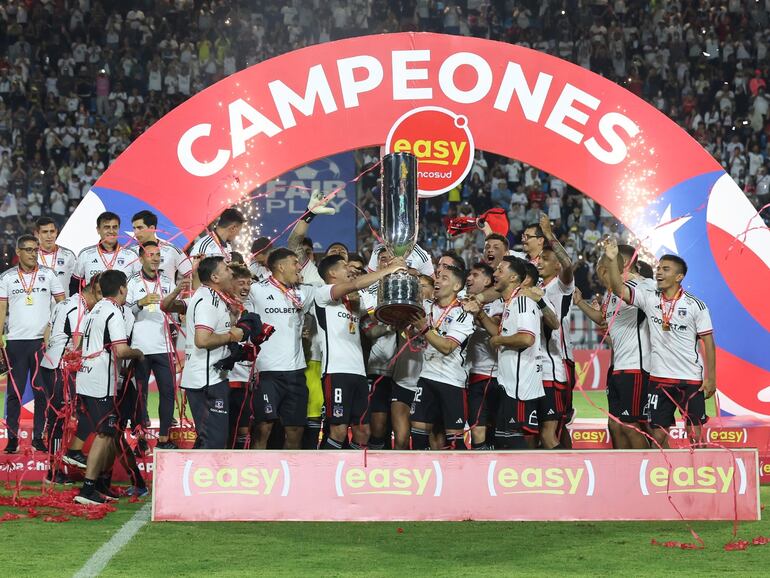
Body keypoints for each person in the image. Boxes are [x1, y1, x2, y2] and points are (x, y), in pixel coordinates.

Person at [604, 240, 716, 447]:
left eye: (666, 269)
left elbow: (708, 343)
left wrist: (711, 378)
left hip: (689, 378)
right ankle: (658, 476)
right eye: (658, 269)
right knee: (657, 434)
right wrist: (612, 262)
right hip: (659, 379)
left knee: (694, 432)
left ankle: (701, 475)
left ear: (679, 276)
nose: (659, 273)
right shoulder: (649, 298)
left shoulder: (696, 306)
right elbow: (620, 288)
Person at [314, 253, 407, 450]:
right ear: (332, 273)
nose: (350, 269)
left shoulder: (355, 301)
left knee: (363, 432)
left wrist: (395, 275)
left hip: (359, 373)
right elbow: (356, 284)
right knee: (338, 432)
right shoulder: (322, 293)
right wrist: (388, 270)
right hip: (336, 371)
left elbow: (377, 312)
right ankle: (328, 475)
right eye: (344, 266)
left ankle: (353, 477)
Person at [74, 270, 144, 505]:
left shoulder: (94, 310)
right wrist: (138, 353)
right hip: (100, 382)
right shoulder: (113, 312)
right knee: (105, 434)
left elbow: (80, 343)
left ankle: (97, 485)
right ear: (123, 289)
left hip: (86, 376)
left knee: (109, 433)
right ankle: (87, 489)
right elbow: (121, 350)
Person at [574, 245, 651, 449]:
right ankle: (621, 469)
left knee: (631, 425)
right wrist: (580, 302)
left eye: (604, 266)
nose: (600, 272)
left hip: (635, 366)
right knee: (614, 424)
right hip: (617, 366)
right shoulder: (612, 292)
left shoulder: (643, 286)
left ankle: (649, 472)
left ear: (622, 264)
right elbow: (602, 318)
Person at [0, 235, 65, 453]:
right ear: (18, 252)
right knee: (14, 393)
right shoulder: (7, 278)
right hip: (16, 343)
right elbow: (1, 309)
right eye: (27, 250)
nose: (32, 253)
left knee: (41, 392)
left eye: (35, 250)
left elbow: (62, 305)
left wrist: (51, 329)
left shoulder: (49, 275)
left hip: (41, 342)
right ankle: (12, 439)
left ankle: (38, 437)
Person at [126, 241, 189, 449]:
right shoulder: (132, 282)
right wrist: (140, 303)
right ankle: (141, 438)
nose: (155, 258)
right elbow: (124, 313)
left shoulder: (168, 282)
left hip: (164, 347)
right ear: (141, 258)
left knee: (169, 391)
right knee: (140, 394)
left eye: (158, 255)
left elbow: (174, 312)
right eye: (151, 254)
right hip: (140, 348)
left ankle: (164, 439)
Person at [40, 273, 101, 482]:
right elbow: (78, 345)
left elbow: (47, 330)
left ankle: (57, 467)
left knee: (59, 417)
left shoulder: (65, 302)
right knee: (60, 417)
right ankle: (55, 469)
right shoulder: (79, 310)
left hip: (51, 364)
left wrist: (51, 351)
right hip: (61, 370)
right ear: (95, 291)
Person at [180, 256, 244, 449]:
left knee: (209, 440)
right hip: (206, 382)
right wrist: (232, 336)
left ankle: (190, 478)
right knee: (212, 443)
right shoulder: (208, 301)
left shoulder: (212, 298)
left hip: (212, 378)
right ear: (215, 277)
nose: (231, 272)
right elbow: (203, 340)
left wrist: (231, 320)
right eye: (226, 269)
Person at [479, 256, 543, 449]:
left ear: (514, 278)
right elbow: (500, 333)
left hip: (520, 390)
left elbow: (526, 338)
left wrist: (499, 340)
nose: (495, 274)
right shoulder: (510, 304)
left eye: (500, 270)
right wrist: (480, 314)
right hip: (509, 386)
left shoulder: (523, 302)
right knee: (504, 443)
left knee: (518, 445)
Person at [410, 264, 474, 450]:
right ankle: (423, 476)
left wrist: (424, 329)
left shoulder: (463, 314)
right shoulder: (426, 306)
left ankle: (458, 477)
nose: (437, 280)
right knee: (418, 438)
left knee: (454, 443)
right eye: (437, 276)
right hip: (426, 378)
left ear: (457, 287)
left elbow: (447, 347)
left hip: (452, 382)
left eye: (444, 278)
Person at [463, 262, 504, 449]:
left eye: (475, 275)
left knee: (496, 430)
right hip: (474, 374)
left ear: (488, 280)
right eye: (469, 275)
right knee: (477, 429)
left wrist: (477, 313)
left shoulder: (499, 302)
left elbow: (496, 328)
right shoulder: (461, 299)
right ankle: (479, 470)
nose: (469, 278)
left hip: (497, 375)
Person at [74, 211, 139, 287]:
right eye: (107, 227)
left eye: (115, 227)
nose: (111, 231)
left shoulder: (131, 255)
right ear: (98, 229)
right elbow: (75, 285)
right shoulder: (85, 254)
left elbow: (139, 285)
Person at [131, 209, 193, 281]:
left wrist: (178, 291)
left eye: (140, 228)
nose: (136, 232)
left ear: (152, 228)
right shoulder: (130, 252)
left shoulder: (171, 250)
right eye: (134, 228)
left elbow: (191, 275)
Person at [35, 216, 77, 297]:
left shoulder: (68, 255)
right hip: (39, 307)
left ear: (56, 232)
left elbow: (77, 283)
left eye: (52, 231)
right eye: (45, 232)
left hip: (63, 307)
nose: (49, 236)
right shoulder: (32, 256)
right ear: (37, 234)